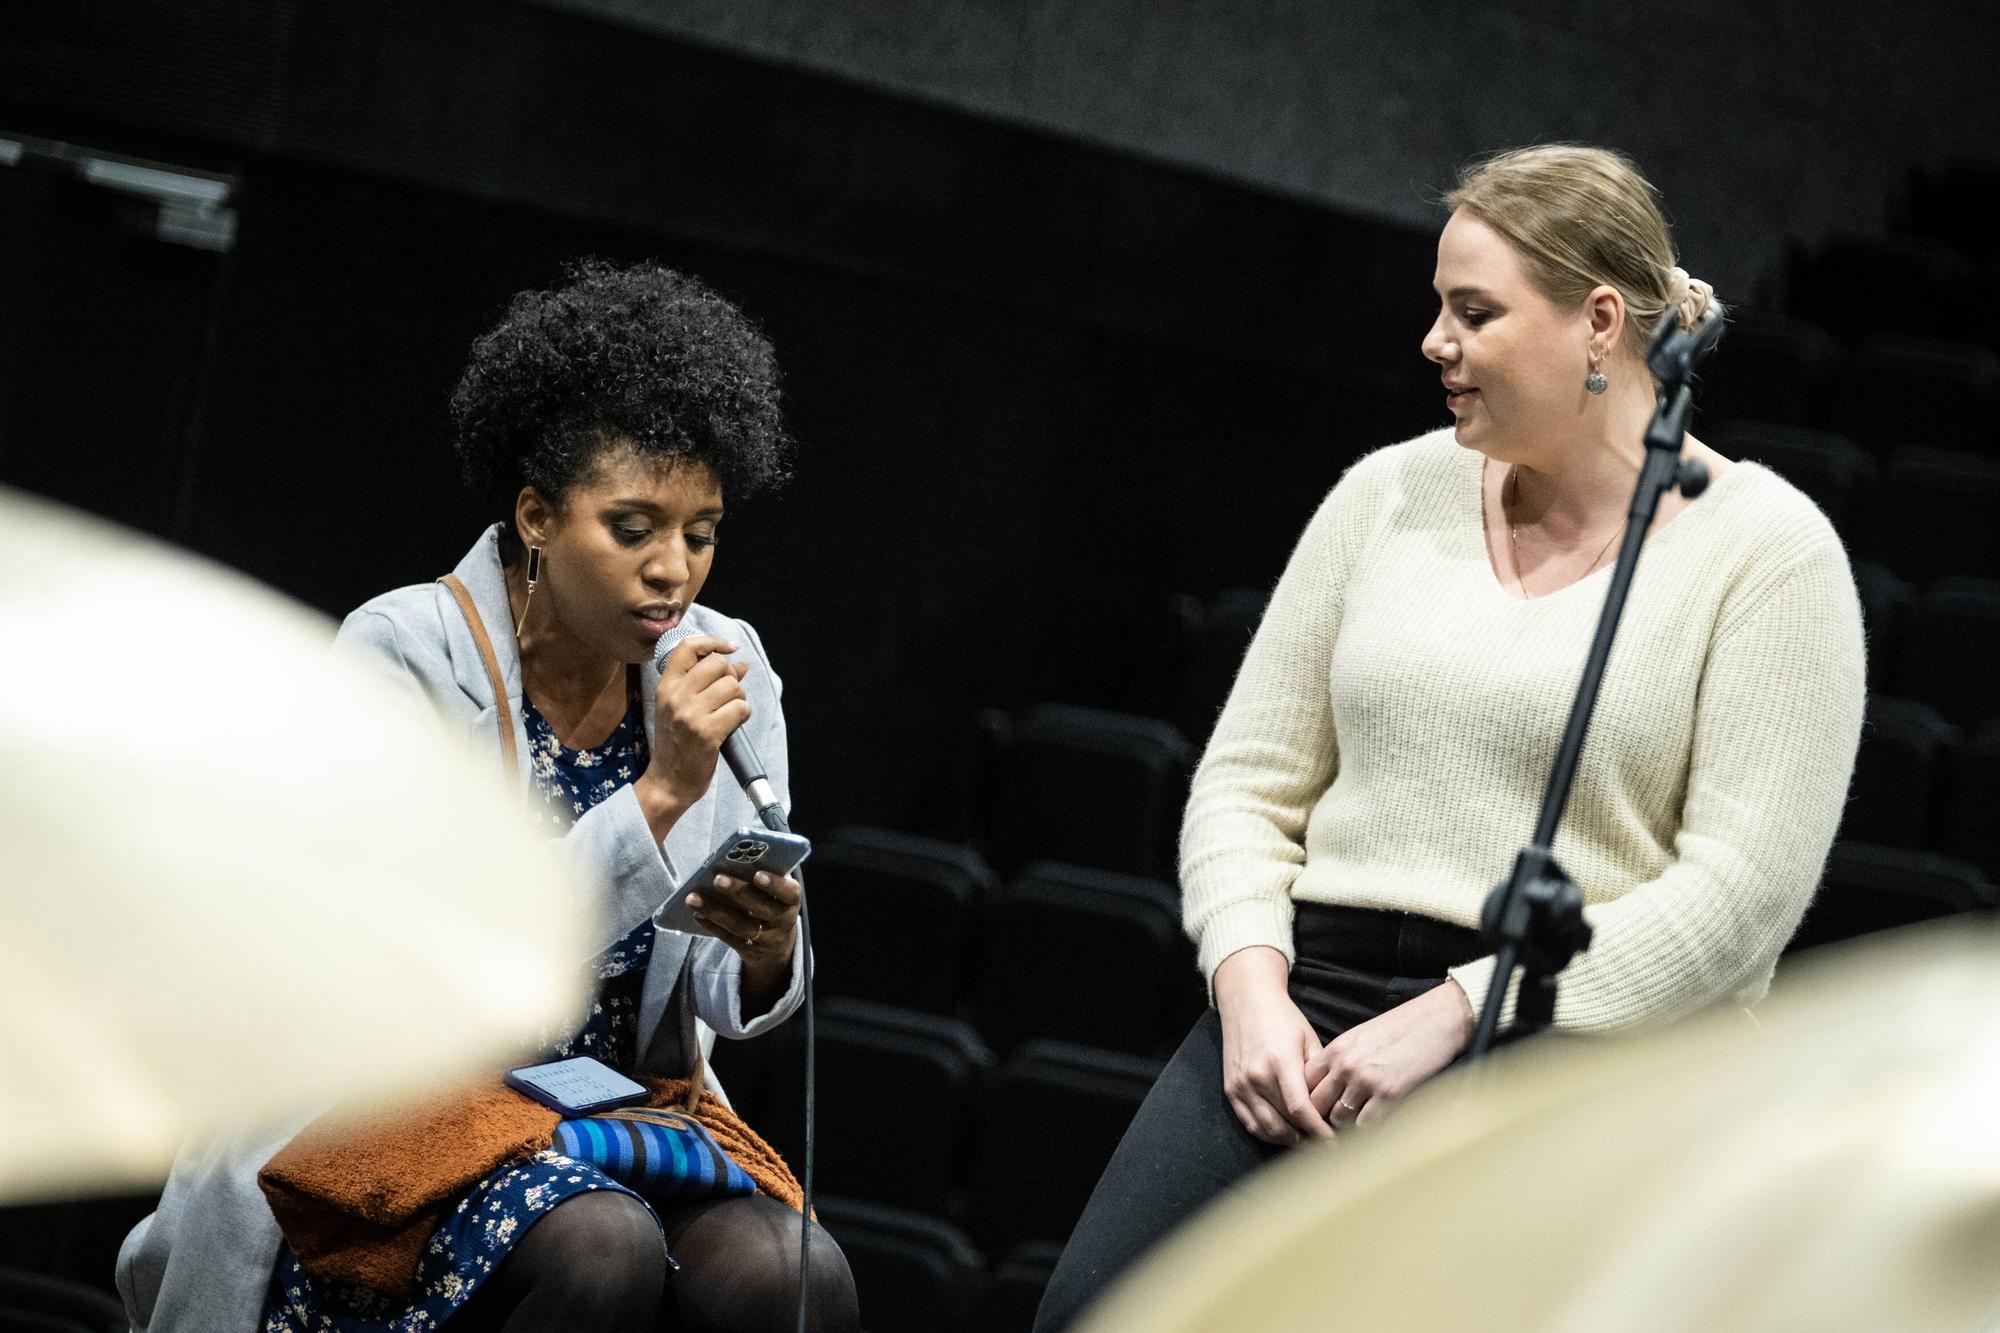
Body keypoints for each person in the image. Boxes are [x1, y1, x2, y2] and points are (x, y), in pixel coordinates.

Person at [1034, 144, 1867, 1329]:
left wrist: (1461, 1008)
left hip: (1572, 1043)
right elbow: (1246, 785)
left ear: (1595, 323)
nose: (1433, 341)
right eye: (1438, 308)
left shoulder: (1767, 552)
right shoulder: (1386, 491)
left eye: (1472, 312)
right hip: (1303, 1005)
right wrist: (1250, 985)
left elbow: (1736, 899)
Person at [117, 260, 859, 1332]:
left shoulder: (727, 664)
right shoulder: (401, 653)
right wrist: (655, 797)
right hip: (401, 1103)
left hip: (614, 1110)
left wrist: (761, 948)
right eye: (633, 526)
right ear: (537, 517)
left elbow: (718, 1002)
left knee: (796, 1273)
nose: (673, 572)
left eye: (700, 533)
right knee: (598, 1244)